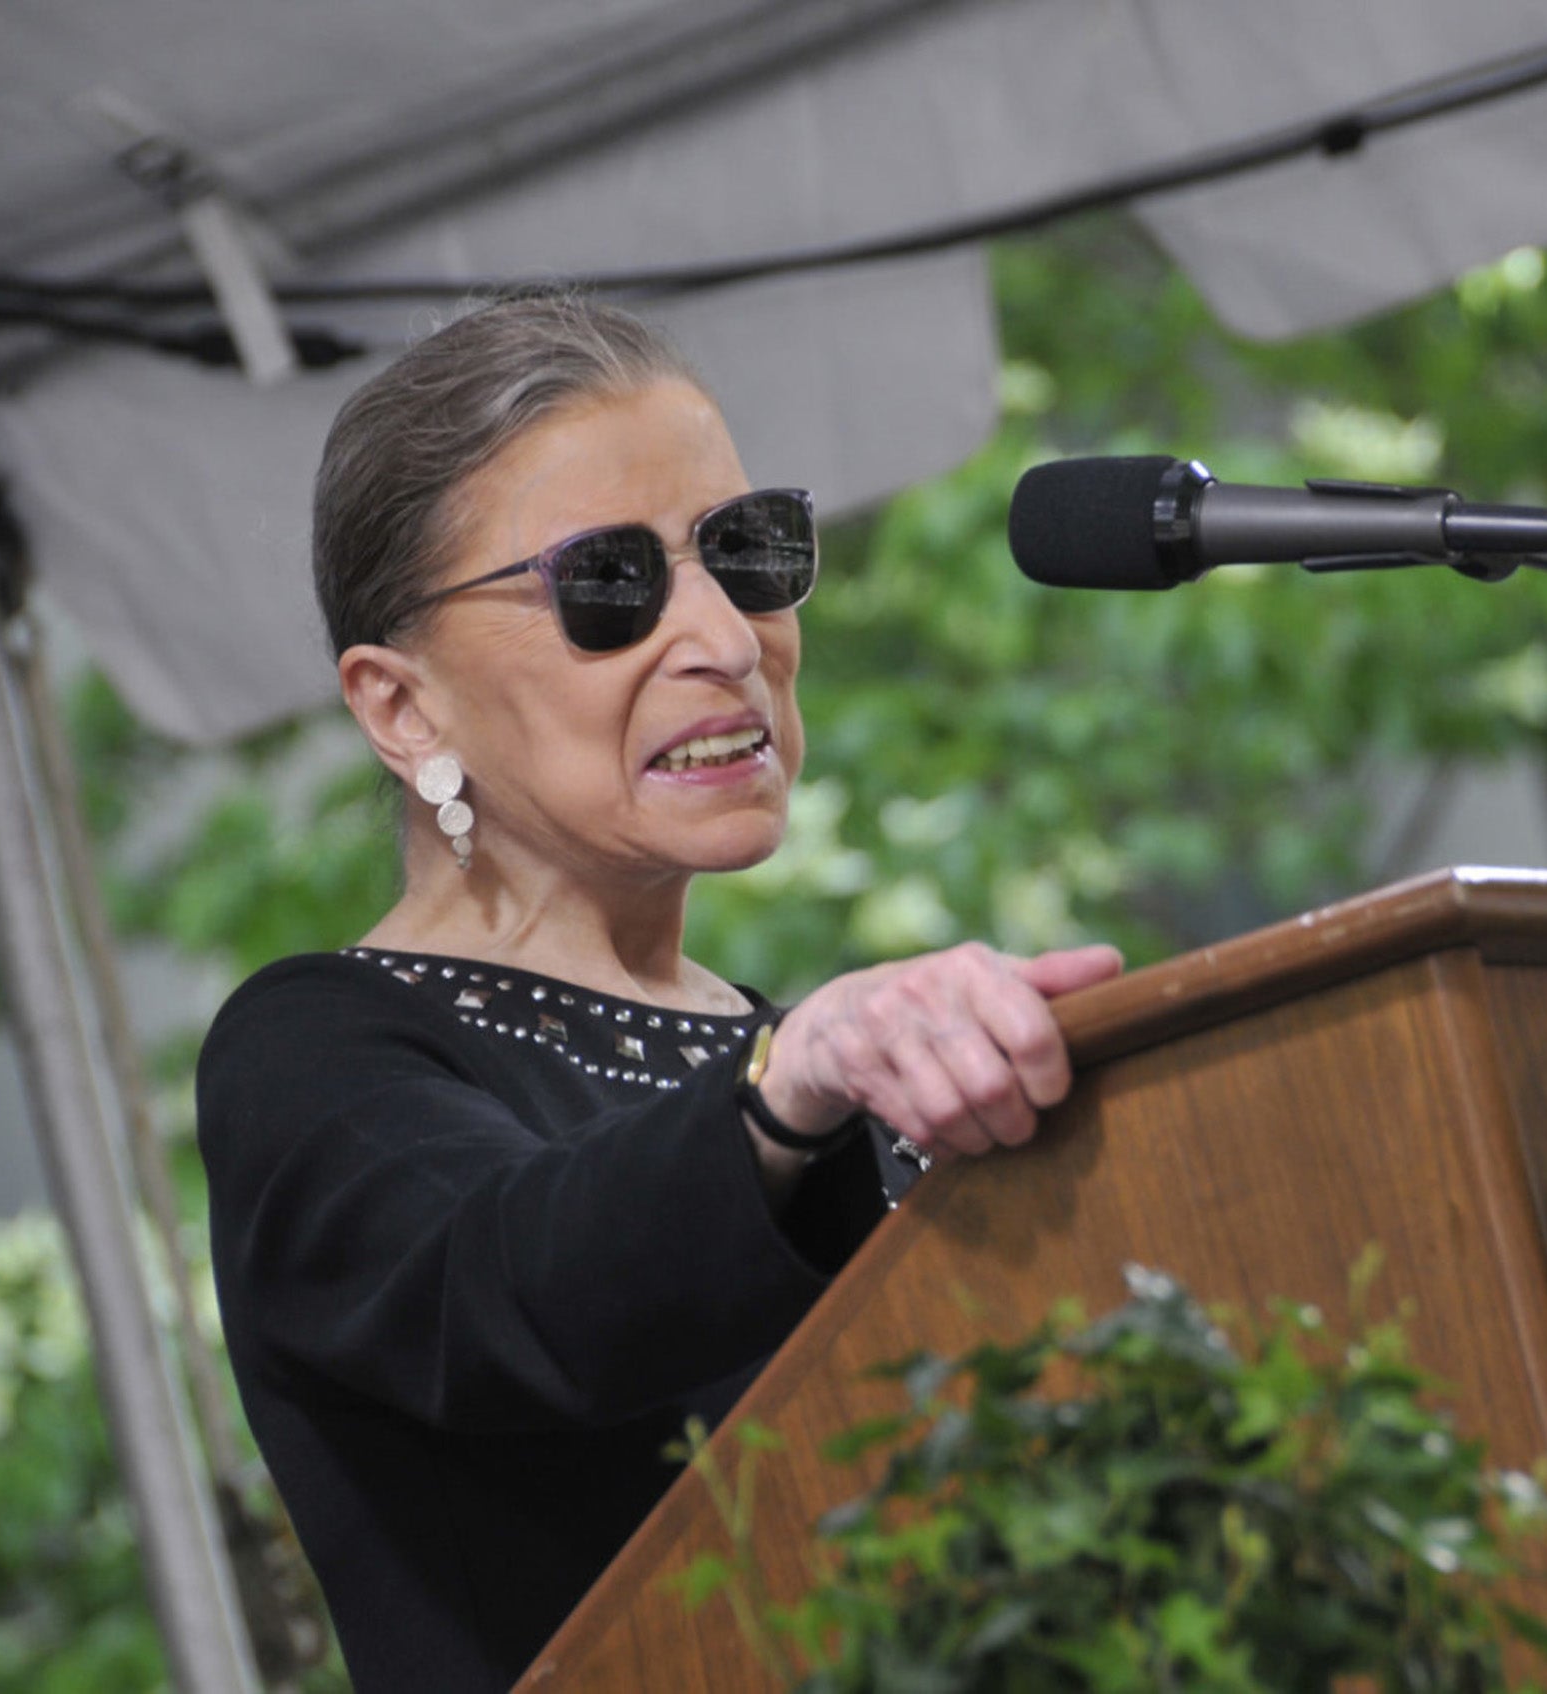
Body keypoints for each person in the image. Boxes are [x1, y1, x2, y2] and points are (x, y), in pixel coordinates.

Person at [196, 294, 1122, 1693]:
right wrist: (790, 1085)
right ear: (401, 706)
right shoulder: (313, 1048)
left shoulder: (801, 1063)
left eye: (745, 555)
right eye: (609, 586)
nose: (727, 637)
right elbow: (512, 1292)